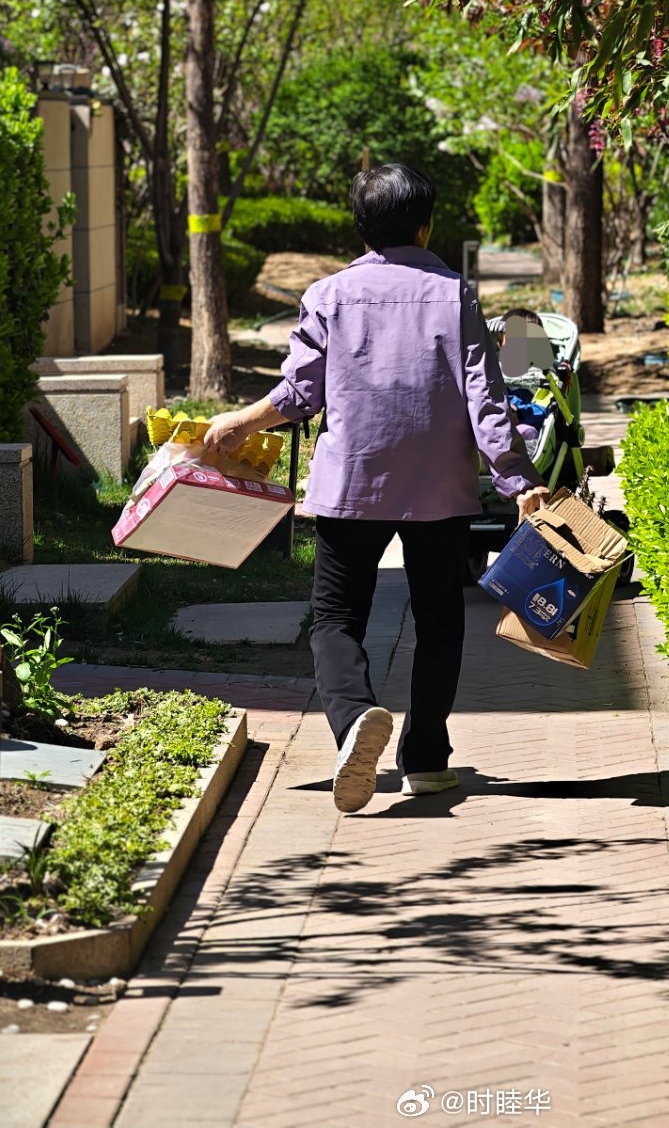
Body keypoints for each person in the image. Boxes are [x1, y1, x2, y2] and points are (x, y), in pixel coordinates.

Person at [203, 162, 547, 814]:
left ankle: (356, 716)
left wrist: (238, 421)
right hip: (440, 486)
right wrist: (518, 481)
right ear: (425, 224)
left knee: (336, 617)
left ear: (361, 228)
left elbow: (301, 391)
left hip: (352, 482)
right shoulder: (455, 293)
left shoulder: (329, 294)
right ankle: (424, 759)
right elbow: (486, 398)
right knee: (440, 621)